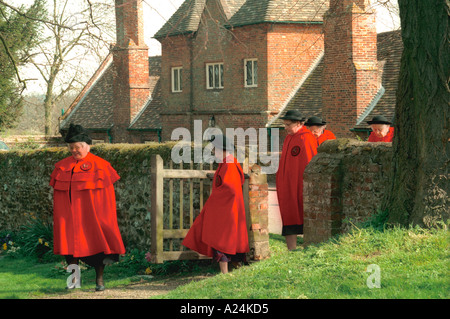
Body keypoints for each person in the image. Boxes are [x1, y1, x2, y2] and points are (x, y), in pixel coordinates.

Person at [50, 123, 125, 291]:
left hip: (91, 215)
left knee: (98, 246)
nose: (74, 151)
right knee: (69, 249)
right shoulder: (62, 166)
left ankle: (99, 281)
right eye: (71, 148)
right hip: (69, 216)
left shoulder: (101, 165)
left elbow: (106, 197)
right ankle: (74, 280)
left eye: (78, 147)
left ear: (87, 146)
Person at [182, 135, 249, 274]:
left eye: (214, 149)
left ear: (221, 150)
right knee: (224, 237)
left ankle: (224, 272)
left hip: (226, 208)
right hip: (226, 207)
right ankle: (231, 269)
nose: (213, 152)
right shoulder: (227, 163)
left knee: (222, 238)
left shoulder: (229, 164)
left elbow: (230, 188)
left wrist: (215, 200)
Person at [276, 110, 318, 250]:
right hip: (287, 185)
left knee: (304, 214)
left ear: (299, 123)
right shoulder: (289, 138)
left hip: (299, 185)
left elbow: (310, 162)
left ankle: (309, 247)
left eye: (288, 125)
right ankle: (291, 250)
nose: (285, 128)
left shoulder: (306, 138)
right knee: (288, 215)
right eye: (285, 124)